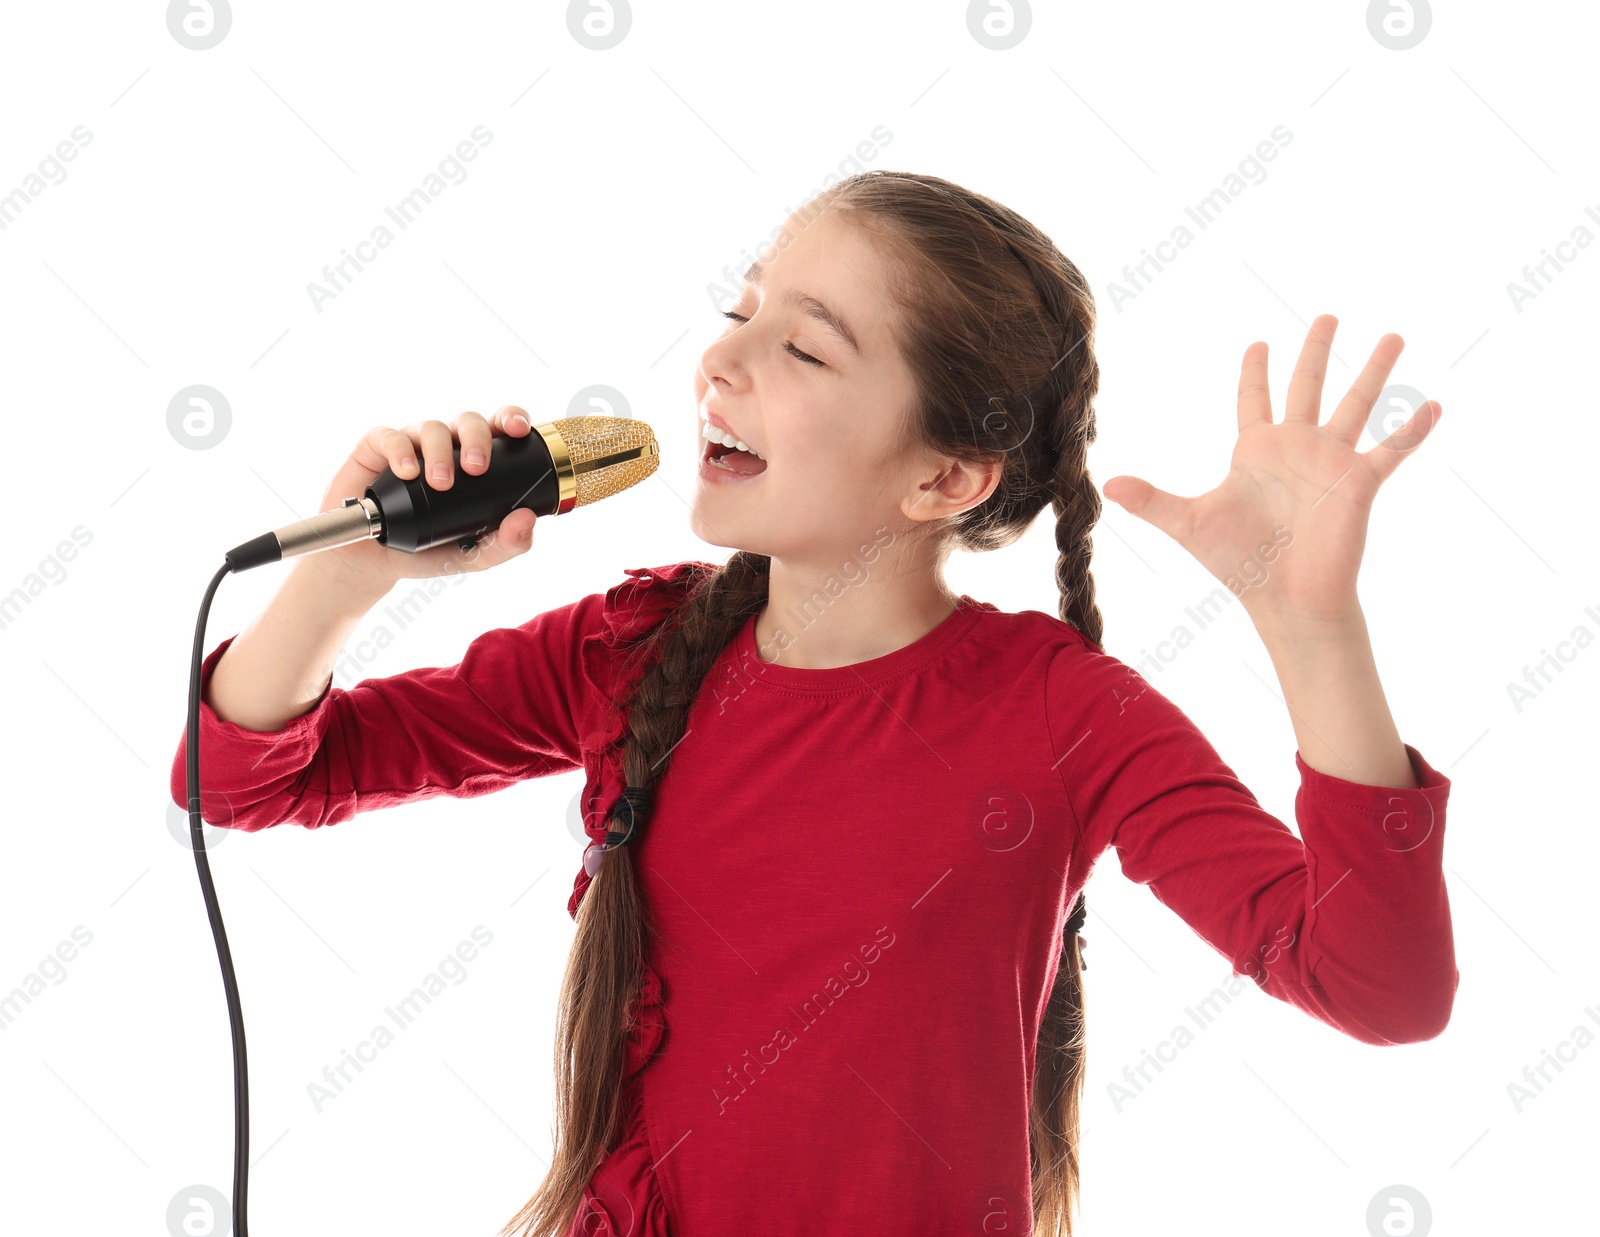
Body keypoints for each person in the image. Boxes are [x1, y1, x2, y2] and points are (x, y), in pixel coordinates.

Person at [170, 170, 1455, 1237]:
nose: (719, 361)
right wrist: (339, 591)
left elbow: (1378, 985)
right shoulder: (632, 649)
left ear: (945, 477)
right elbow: (243, 778)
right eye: (740, 313)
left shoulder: (1066, 714)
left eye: (801, 345)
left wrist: (1311, 628)